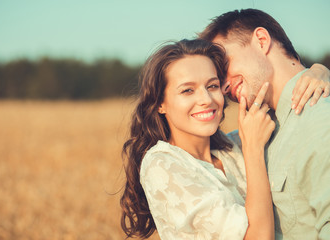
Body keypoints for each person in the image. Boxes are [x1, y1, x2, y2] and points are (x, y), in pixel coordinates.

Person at [120, 39, 329, 239]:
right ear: (160, 103)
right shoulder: (162, 163)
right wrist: (253, 151)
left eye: (212, 86)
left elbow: (287, 113)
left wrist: (319, 71)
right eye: (187, 90)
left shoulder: (234, 146)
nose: (206, 100)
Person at [199, 8, 330, 240]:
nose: (223, 88)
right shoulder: (259, 132)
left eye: (224, 64)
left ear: (261, 40)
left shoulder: (320, 118)